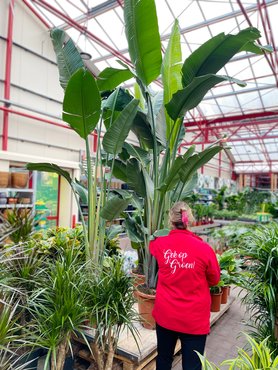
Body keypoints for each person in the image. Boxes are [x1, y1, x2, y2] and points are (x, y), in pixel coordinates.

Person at [149, 201, 220, 370]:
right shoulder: (204, 249)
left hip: (166, 315)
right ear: (190, 220)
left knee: (164, 359)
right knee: (192, 366)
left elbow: (152, 244)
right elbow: (214, 279)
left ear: (170, 221)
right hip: (193, 319)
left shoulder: (160, 244)